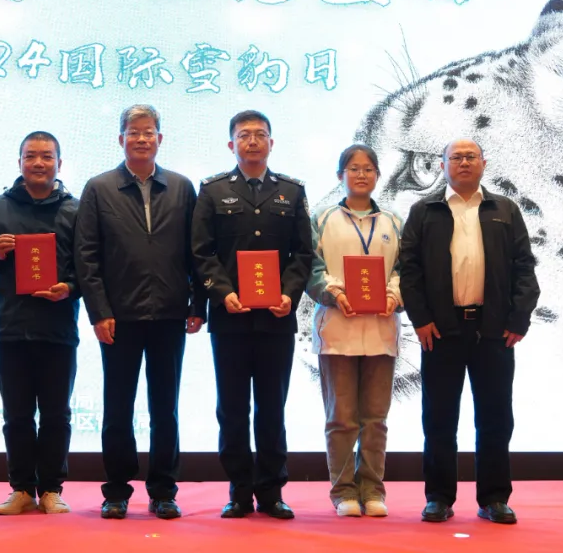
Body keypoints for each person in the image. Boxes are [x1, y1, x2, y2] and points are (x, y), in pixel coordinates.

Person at [74, 104, 204, 520]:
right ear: (121, 139)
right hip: (119, 316)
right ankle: (116, 491)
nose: (142, 139)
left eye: (149, 132)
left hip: (169, 314)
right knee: (118, 408)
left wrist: (197, 304)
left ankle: (164, 490)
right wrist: (98, 311)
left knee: (165, 408)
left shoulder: (181, 188)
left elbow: (197, 252)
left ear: (160, 139)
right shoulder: (99, 188)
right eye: (134, 132)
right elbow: (87, 255)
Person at [399, 139, 539, 525]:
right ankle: (438, 497)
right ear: (442, 165)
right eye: (456, 157)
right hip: (440, 330)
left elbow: (525, 267)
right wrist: (420, 319)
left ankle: (494, 498)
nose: (463, 162)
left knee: (495, 417)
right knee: (439, 417)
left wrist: (519, 319)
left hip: (493, 331)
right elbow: (409, 270)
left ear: (483, 163)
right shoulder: (424, 211)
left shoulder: (504, 210)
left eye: (470, 157)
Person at [191, 110, 312, 520]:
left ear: (271, 143)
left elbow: (303, 253)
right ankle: (240, 491)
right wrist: (222, 293)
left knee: (272, 408)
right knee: (232, 408)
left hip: (277, 318)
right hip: (230, 319)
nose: (253, 141)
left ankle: (272, 491)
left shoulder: (292, 191)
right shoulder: (212, 191)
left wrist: (289, 294)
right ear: (232, 144)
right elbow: (201, 252)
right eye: (244, 135)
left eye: (260, 134)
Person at [0, 131, 80, 516]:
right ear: (19, 161)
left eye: (47, 156)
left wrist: (69, 288)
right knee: (17, 415)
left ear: (59, 163)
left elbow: (89, 268)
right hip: (11, 328)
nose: (39, 163)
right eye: (31, 156)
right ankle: (21, 488)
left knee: (57, 414)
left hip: (58, 329)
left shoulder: (75, 210)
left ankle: (52, 488)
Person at [306, 144, 403, 517]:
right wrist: (333, 292)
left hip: (381, 331)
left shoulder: (393, 221)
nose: (361, 175)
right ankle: (343, 491)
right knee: (342, 418)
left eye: (368, 169)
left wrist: (394, 295)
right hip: (337, 331)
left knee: (375, 419)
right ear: (340, 176)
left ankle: (373, 489)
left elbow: (405, 269)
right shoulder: (322, 218)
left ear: (377, 175)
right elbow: (311, 267)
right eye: (353, 168)